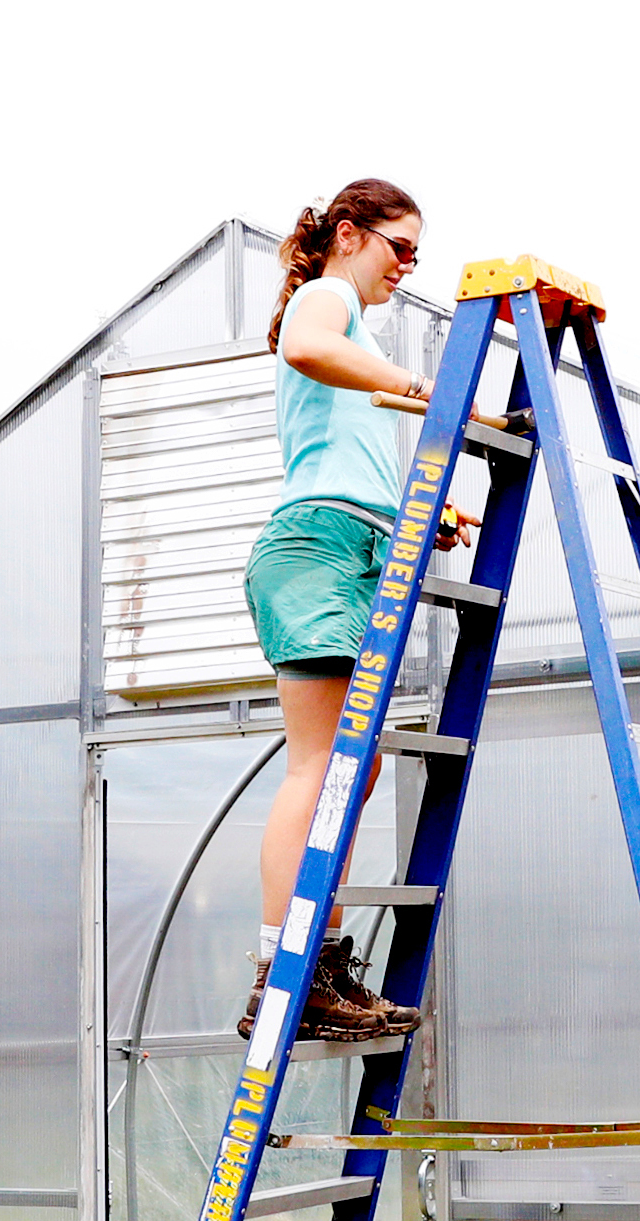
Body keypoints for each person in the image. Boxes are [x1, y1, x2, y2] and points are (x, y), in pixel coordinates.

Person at [236, 179, 455, 1041]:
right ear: (350, 234)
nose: (406, 267)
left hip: (352, 542)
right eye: (399, 247)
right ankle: (280, 970)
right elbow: (302, 343)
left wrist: (419, 513)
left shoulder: (359, 336)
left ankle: (316, 960)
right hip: (317, 545)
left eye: (415, 255)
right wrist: (420, 388)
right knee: (320, 766)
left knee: (350, 770)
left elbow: (348, 451)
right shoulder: (327, 298)